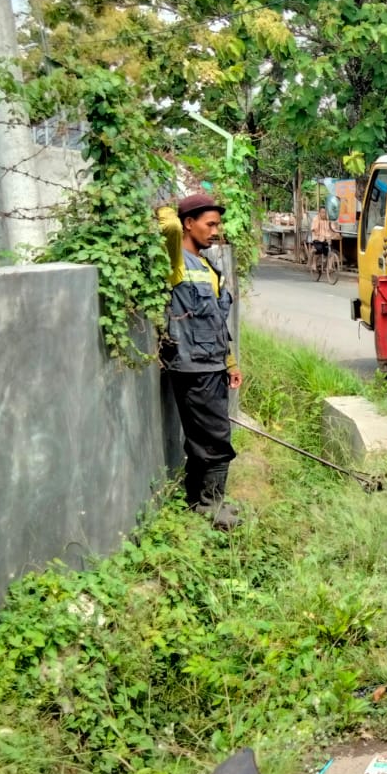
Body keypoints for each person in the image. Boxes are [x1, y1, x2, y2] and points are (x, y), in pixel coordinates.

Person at [158, 192, 242, 530]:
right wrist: (169, 210)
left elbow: (216, 322)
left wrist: (231, 363)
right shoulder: (178, 263)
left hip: (212, 364)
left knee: (206, 435)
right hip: (193, 366)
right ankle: (210, 505)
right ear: (188, 224)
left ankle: (200, 500)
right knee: (214, 437)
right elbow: (167, 228)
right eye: (210, 223)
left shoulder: (209, 266)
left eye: (218, 224)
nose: (216, 230)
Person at [309, 201, 340, 269]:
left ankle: (329, 267)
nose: (324, 214)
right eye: (322, 212)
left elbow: (332, 228)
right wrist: (319, 234)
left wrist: (336, 233)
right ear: (319, 213)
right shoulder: (316, 219)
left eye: (325, 212)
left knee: (330, 252)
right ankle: (314, 264)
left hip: (326, 239)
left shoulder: (328, 219)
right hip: (317, 239)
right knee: (319, 250)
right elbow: (314, 229)